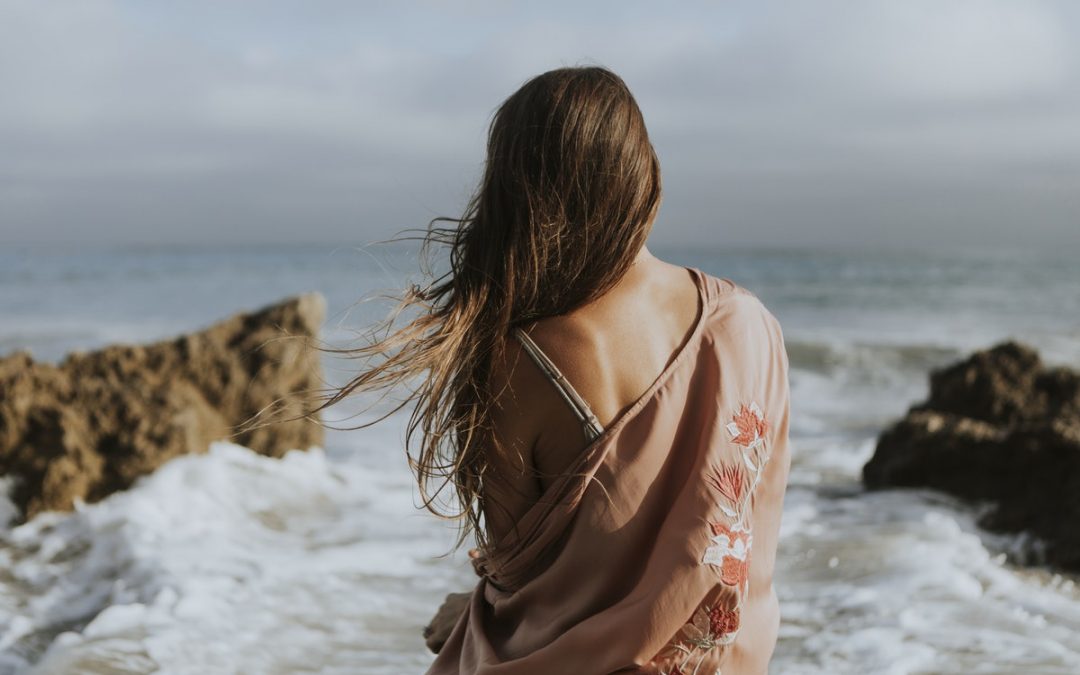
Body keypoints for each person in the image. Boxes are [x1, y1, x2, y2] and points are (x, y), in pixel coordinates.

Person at [324, 65, 791, 674]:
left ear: (516, 195)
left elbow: (523, 580)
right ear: (644, 173)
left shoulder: (521, 357)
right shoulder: (751, 327)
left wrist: (466, 611)